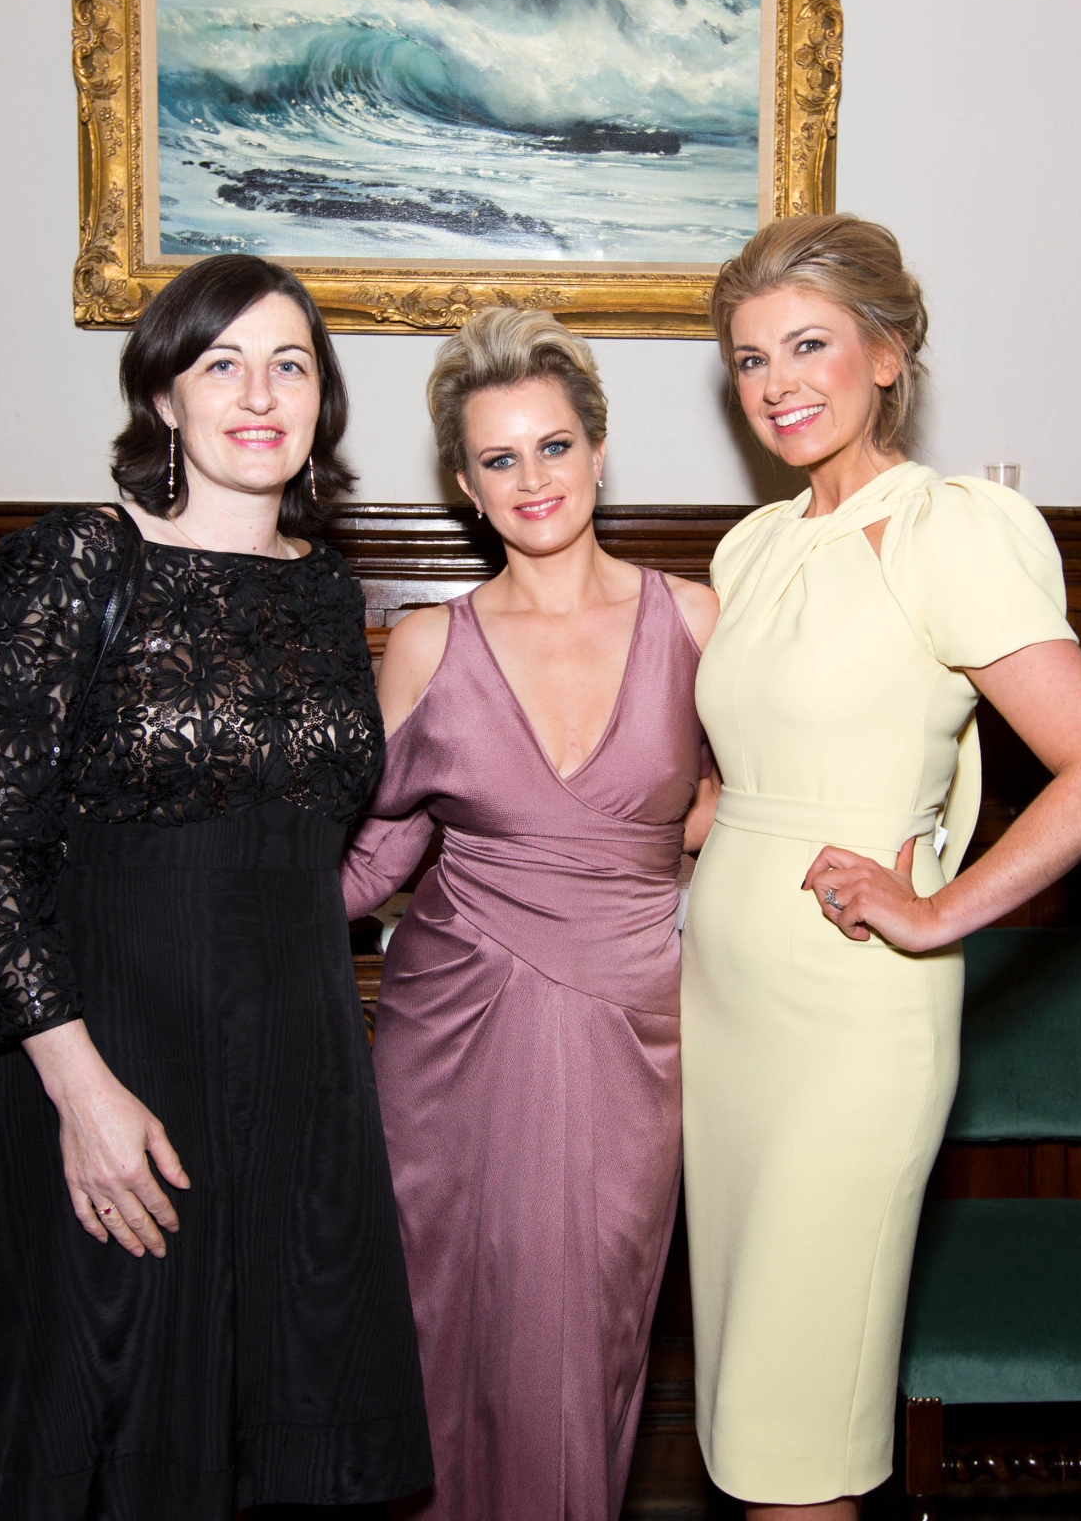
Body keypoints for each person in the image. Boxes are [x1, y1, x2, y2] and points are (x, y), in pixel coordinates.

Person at [0, 253, 433, 1521]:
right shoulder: (77, 561)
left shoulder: (325, 590)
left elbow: (322, 840)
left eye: (290, 365)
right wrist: (78, 1090)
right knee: (109, 1435)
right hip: (114, 1061)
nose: (259, 394)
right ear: (163, 395)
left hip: (299, 1076)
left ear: (322, 402)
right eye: (222, 364)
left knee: (281, 1448)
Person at [680, 214, 1081, 1518]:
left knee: (798, 1433)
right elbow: (737, 790)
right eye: (750, 358)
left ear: (885, 356)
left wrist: (938, 911)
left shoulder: (947, 530)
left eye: (809, 345)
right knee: (748, 1415)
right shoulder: (753, 548)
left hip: (851, 1015)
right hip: (725, 1007)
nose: (775, 382)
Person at [341, 307, 718, 1521]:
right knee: (440, 1332)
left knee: (582, 1344)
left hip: (627, 1034)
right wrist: (190, 906)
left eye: (553, 446)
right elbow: (375, 855)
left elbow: (748, 806)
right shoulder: (426, 644)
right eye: (498, 459)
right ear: (465, 486)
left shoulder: (696, 620)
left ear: (599, 451)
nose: (532, 479)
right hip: (450, 1038)